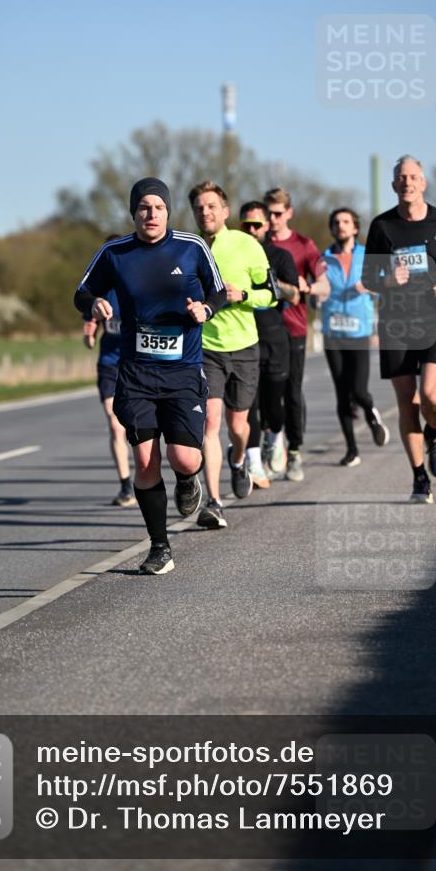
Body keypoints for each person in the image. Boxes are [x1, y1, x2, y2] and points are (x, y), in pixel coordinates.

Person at [74, 177, 226, 574]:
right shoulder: (115, 252)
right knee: (144, 460)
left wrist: (206, 310)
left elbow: (219, 292)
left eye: (158, 207)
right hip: (136, 373)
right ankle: (160, 547)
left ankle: (188, 479)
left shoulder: (191, 247)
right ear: (133, 212)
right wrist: (94, 305)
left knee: (184, 458)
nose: (151, 214)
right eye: (144, 207)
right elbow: (81, 292)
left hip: (183, 370)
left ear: (168, 211)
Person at [361, 155, 436, 503]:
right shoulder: (382, 226)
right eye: (401, 177)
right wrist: (388, 280)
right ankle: (420, 478)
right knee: (407, 403)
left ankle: (434, 432)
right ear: (394, 185)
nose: (407, 182)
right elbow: (368, 277)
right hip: (396, 321)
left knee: (431, 396)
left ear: (423, 183)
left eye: (412, 176)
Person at [188, 181, 274, 530]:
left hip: (243, 345)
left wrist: (244, 296)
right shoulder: (187, 248)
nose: (205, 212)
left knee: (238, 427)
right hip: (205, 347)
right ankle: (214, 502)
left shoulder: (246, 244)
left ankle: (237, 460)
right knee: (210, 423)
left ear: (225, 211)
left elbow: (271, 295)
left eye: (211, 206)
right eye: (199, 208)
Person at [266, 187, 330, 482]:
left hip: (294, 328)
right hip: (262, 329)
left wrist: (308, 287)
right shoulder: (257, 244)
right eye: (268, 213)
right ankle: (269, 442)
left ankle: (294, 452)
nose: (272, 219)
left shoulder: (304, 245)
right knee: (264, 394)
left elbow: (325, 285)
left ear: (289, 213)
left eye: (278, 214)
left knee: (291, 392)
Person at [321, 207, 390, 466]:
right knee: (342, 393)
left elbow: (387, 285)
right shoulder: (324, 259)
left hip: (359, 331)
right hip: (332, 332)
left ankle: (372, 416)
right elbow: (317, 293)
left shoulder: (367, 256)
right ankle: (352, 450)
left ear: (355, 228)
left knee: (359, 390)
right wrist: (317, 297)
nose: (341, 225)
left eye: (346, 221)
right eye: (336, 222)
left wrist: (372, 285)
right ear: (331, 228)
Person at [238, 201, 300, 486]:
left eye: (256, 224)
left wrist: (271, 282)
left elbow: (295, 296)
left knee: (274, 406)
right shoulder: (235, 256)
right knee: (248, 405)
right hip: (243, 338)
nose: (252, 230)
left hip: (275, 338)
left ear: (266, 225)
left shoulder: (280, 255)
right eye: (246, 224)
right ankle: (253, 464)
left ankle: (275, 437)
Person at [82, 251, 136, 505]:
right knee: (116, 425)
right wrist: (89, 334)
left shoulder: (138, 287)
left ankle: (147, 476)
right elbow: (89, 326)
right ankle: (126, 486)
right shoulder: (100, 293)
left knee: (143, 426)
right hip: (110, 364)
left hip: (138, 364)